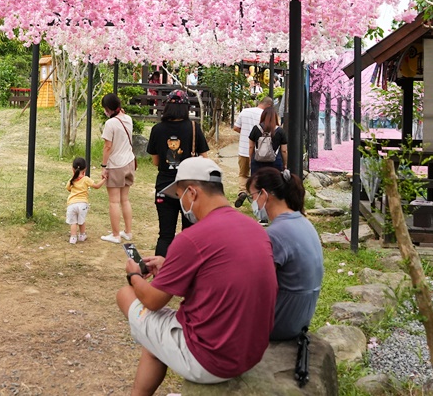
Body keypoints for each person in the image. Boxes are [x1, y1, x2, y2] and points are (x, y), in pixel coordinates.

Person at [116, 157, 277, 395]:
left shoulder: (191, 238)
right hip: (250, 352)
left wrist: (133, 276)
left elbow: (152, 300)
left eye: (180, 195)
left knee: (126, 295)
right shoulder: (254, 228)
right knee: (155, 341)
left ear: (192, 192)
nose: (181, 203)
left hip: (210, 360)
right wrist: (170, 265)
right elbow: (218, 274)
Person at [247, 167, 324, 340]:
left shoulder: (275, 234)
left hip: (280, 323)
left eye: (252, 197)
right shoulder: (303, 222)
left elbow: (258, 286)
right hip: (301, 317)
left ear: (264, 194)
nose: (253, 203)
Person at [145, 89, 209, 256]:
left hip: (164, 187)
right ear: (186, 108)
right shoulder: (194, 128)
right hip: (189, 189)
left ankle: (161, 276)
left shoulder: (157, 129)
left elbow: (156, 161)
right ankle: (187, 273)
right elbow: (204, 158)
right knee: (190, 235)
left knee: (165, 236)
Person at [100, 92, 137, 243]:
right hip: (129, 162)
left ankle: (115, 235)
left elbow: (107, 147)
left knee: (114, 201)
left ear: (108, 108)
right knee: (125, 200)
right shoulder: (128, 119)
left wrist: (103, 166)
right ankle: (127, 232)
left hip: (116, 165)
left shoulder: (110, 124)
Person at [232, 96, 273, 206]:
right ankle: (255, 196)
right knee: (257, 175)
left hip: (243, 149)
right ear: (268, 105)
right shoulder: (264, 115)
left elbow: (235, 128)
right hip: (259, 152)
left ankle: (242, 192)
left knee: (243, 174)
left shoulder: (245, 111)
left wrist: (245, 132)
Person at [65, 157, 105, 244]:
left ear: (72, 169)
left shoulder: (71, 180)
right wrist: (104, 179)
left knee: (73, 222)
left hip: (71, 204)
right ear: (85, 169)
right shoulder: (86, 179)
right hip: (82, 204)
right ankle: (82, 235)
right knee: (81, 221)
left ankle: (73, 238)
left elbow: (68, 189)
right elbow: (96, 186)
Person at [249, 106, 287, 174]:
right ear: (275, 117)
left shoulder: (256, 128)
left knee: (257, 183)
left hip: (257, 162)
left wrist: (250, 160)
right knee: (274, 183)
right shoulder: (280, 131)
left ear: (263, 116)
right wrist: (285, 163)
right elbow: (284, 150)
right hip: (275, 162)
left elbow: (251, 147)